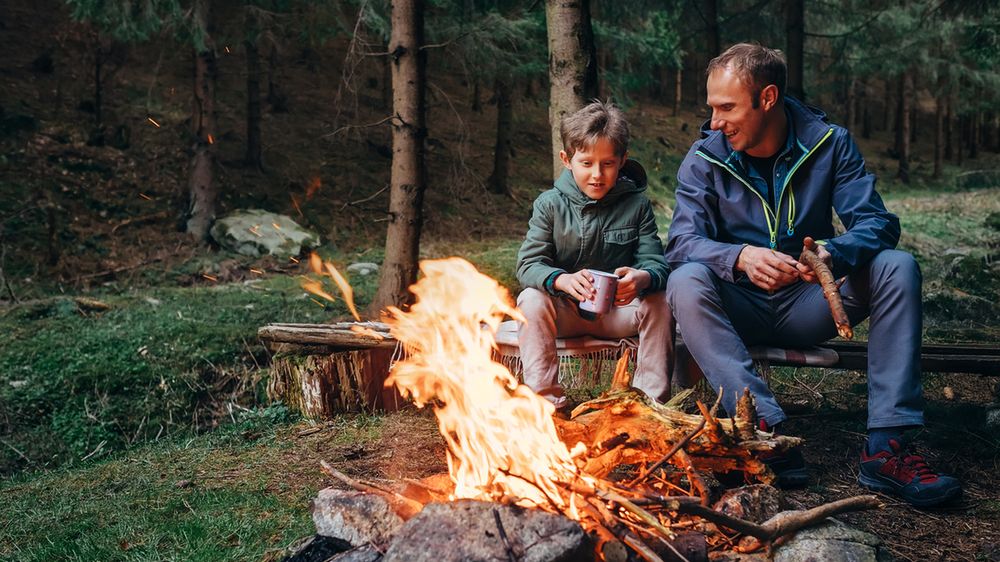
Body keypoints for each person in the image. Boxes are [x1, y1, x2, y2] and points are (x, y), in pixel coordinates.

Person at [665, 43, 961, 507]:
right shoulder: (705, 157)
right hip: (735, 308)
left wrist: (831, 254)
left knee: (897, 267)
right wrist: (740, 257)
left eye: (727, 108)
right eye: (713, 108)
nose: (715, 122)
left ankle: (887, 448)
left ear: (767, 98)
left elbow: (878, 223)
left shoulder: (829, 143)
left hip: (810, 304)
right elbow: (681, 243)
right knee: (684, 280)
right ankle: (765, 430)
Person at [516, 100, 672, 413]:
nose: (597, 175)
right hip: (565, 312)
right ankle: (546, 405)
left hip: (619, 312)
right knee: (530, 299)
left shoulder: (637, 206)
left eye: (608, 164)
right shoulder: (549, 205)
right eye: (586, 163)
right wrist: (561, 280)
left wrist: (642, 278)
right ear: (567, 160)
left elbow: (656, 264)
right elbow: (528, 265)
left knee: (661, 301)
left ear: (623, 160)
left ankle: (649, 406)